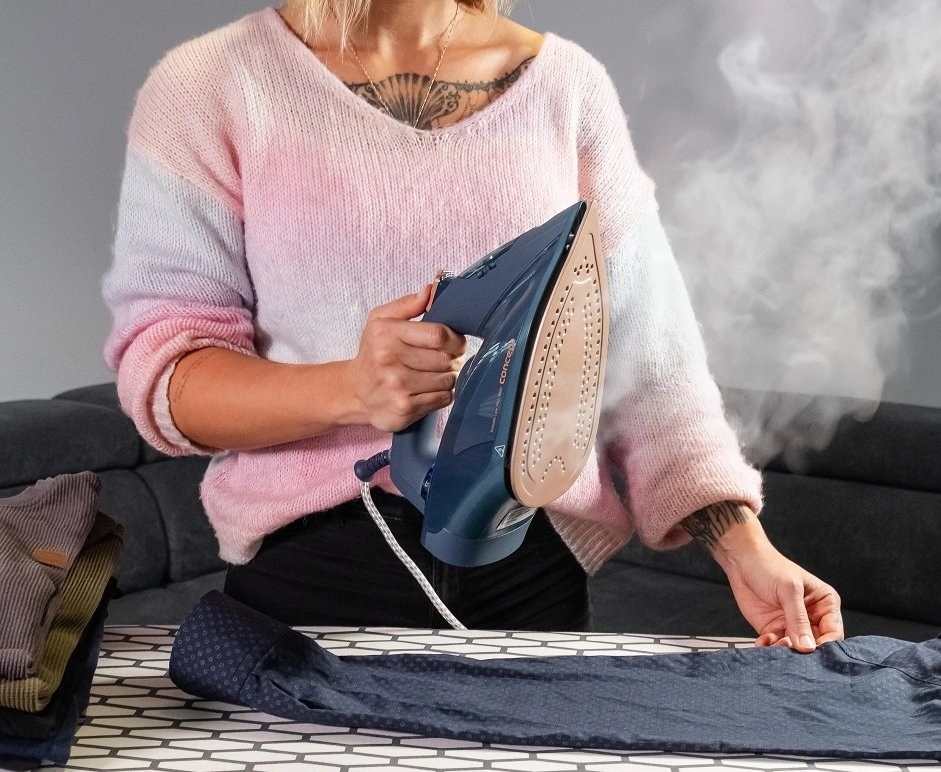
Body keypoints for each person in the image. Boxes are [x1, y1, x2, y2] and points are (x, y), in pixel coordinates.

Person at [103, 0, 842, 696]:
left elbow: (651, 368)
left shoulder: (568, 89)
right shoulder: (210, 86)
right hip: (315, 576)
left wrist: (748, 552)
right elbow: (169, 374)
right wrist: (352, 388)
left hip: (529, 570)